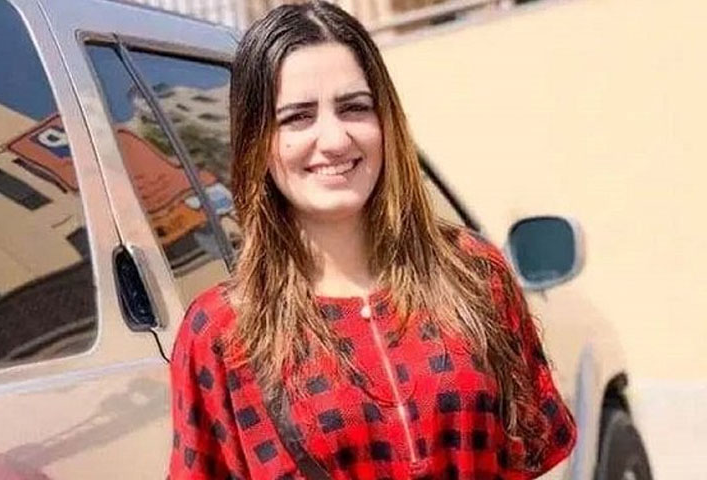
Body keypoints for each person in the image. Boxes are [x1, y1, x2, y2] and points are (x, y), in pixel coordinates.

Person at [168, 2, 576, 479]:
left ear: (386, 121)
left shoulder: (474, 275)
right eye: (297, 117)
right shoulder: (221, 332)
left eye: (355, 108)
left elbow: (531, 453)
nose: (335, 140)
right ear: (256, 142)